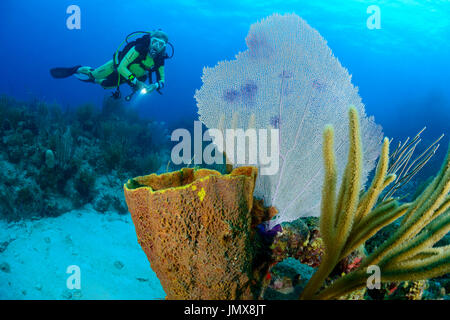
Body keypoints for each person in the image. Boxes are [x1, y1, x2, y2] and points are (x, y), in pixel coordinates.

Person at [50, 30, 171, 100]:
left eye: (160, 44)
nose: (156, 46)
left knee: (105, 85)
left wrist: (155, 86)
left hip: (130, 77)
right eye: (154, 42)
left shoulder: (160, 60)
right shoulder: (138, 49)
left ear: (164, 47)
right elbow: (121, 67)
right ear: (150, 41)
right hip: (117, 66)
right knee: (95, 74)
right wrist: (136, 82)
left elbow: (162, 80)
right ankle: (77, 69)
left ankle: (93, 80)